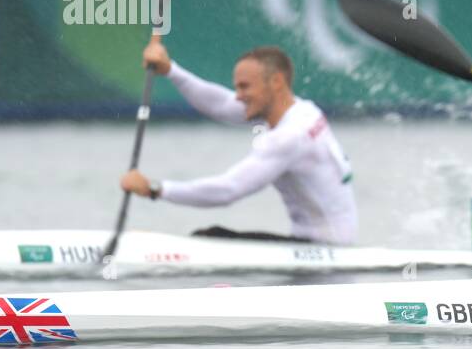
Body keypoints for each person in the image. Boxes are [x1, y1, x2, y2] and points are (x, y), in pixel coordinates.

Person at [119, 39, 358, 244]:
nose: (238, 96)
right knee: (212, 237)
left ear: (276, 82)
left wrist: (155, 189)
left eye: (245, 87)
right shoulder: (303, 111)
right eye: (237, 88)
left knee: (209, 238)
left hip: (323, 249)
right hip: (326, 241)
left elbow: (228, 190)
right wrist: (170, 70)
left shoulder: (289, 137)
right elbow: (220, 105)